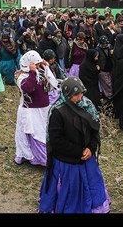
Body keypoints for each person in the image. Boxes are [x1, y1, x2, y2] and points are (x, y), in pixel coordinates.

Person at [38, 76, 111, 213]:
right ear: (67, 94)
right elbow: (56, 140)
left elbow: (95, 131)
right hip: (66, 163)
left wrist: (91, 148)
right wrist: (79, 151)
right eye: (76, 94)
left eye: (81, 92)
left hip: (86, 159)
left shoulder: (88, 106)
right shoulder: (57, 112)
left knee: (91, 185)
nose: (80, 97)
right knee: (69, 193)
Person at [14, 50, 59, 167]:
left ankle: (44, 157)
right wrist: (33, 72)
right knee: (36, 134)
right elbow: (28, 88)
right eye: (37, 64)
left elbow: (52, 82)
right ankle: (38, 158)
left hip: (43, 110)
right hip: (30, 111)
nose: (39, 66)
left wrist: (46, 67)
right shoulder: (21, 76)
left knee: (44, 132)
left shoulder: (41, 71)